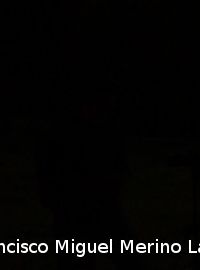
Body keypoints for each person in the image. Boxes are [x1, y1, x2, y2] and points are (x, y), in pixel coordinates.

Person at [36, 62, 144, 270]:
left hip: (101, 212)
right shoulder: (62, 135)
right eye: (104, 100)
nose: (108, 105)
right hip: (77, 216)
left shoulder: (103, 130)